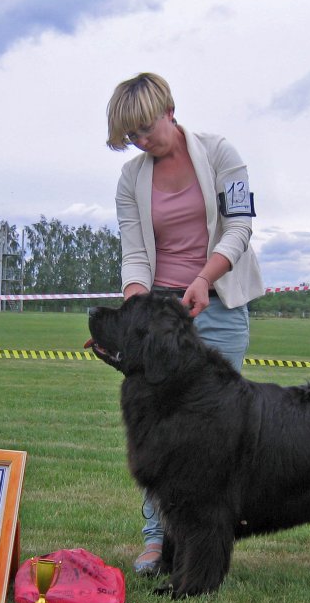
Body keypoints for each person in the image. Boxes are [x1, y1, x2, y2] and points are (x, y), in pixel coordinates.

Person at [106, 72, 265, 575]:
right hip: (160, 320)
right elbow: (134, 253)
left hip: (217, 304)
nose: (142, 140)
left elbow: (240, 226)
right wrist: (136, 308)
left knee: (216, 438)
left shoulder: (220, 153)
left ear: (169, 111)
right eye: (131, 136)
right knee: (157, 435)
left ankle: (204, 542)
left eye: (146, 127)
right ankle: (157, 542)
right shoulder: (131, 178)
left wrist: (203, 277)